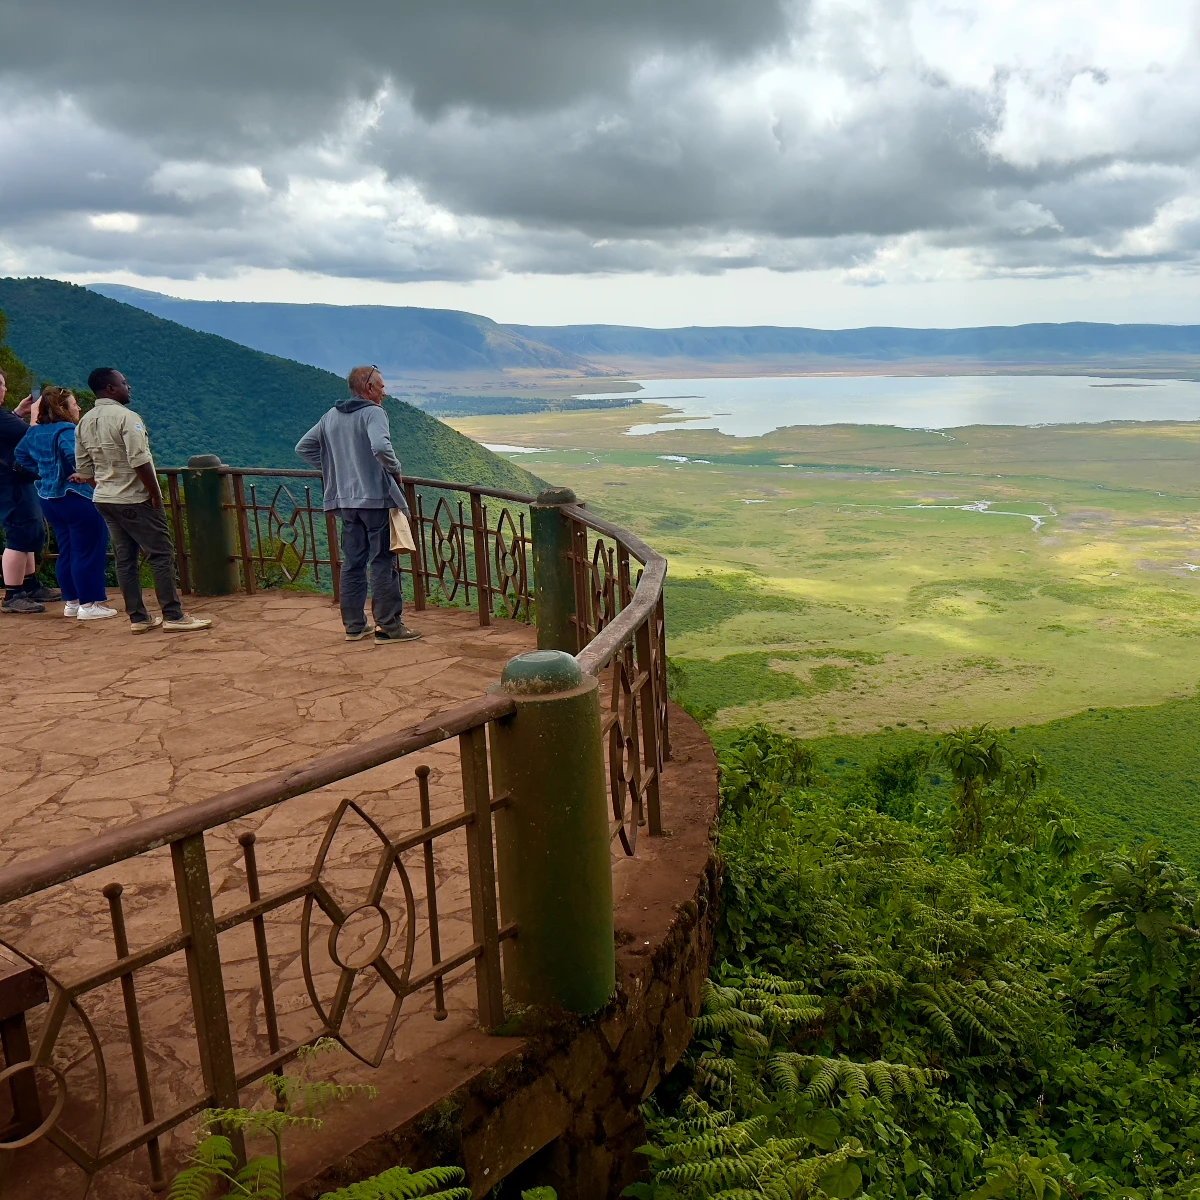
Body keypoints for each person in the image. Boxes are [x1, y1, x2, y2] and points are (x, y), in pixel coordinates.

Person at [73, 368, 211, 633]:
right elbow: (140, 459)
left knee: (125, 559)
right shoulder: (127, 418)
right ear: (111, 389)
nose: (129, 387)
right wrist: (154, 493)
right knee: (160, 554)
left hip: (104, 498)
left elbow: (84, 469)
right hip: (135, 498)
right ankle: (174, 615)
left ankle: (139, 618)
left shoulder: (84, 422)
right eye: (123, 383)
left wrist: (104, 488)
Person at [295, 365, 421, 643]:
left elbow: (303, 447)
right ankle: (389, 627)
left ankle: (354, 626)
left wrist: (335, 470)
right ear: (369, 388)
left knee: (352, 563)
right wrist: (395, 469)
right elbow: (380, 447)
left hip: (344, 501)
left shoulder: (331, 416)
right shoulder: (373, 413)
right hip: (375, 500)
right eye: (382, 386)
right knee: (382, 562)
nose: (385, 392)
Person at [15, 386, 115, 620]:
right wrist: (84, 474)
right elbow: (73, 456)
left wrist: (43, 472)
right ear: (62, 408)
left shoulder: (35, 432)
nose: (78, 407)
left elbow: (20, 456)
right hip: (76, 496)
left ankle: (72, 602)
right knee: (88, 550)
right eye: (74, 403)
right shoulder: (68, 430)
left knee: (67, 551)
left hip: (49, 500)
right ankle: (89, 605)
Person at [0, 370, 61, 614]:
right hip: (10, 484)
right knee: (19, 533)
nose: (3, 388)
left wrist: (18, 413)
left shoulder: (4, 417)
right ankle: (12, 594)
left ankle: (31, 585)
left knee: (30, 531)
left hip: (17, 481)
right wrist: (35, 415)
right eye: (0, 384)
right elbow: (34, 437)